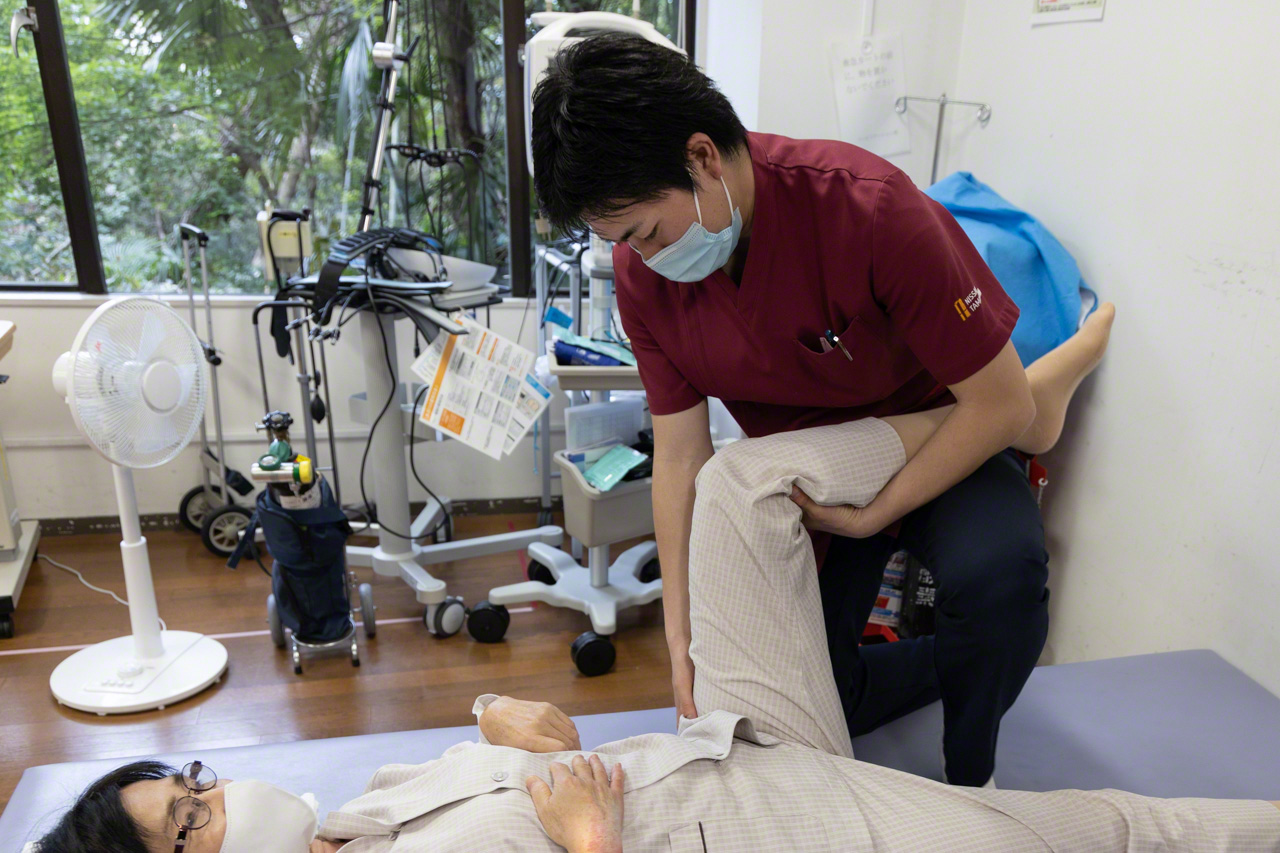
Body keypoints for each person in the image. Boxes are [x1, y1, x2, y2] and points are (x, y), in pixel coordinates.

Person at [34, 318, 1280, 853]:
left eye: (190, 784)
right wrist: (586, 841)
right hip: (775, 832)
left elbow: (521, 744)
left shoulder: (360, 810)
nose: (216, 795)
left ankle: (1004, 413)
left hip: (727, 737)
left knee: (736, 485)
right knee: (1092, 834)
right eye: (189, 828)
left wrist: (493, 721)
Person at [532, 32, 1069, 787]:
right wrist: (680, 644)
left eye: (646, 232)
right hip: (812, 486)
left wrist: (880, 510)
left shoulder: (870, 208)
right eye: (621, 242)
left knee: (1002, 585)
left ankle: (971, 780)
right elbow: (682, 457)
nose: (641, 258)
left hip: (947, 437)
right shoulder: (642, 274)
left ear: (702, 158)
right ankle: (944, 662)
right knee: (797, 709)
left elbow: (998, 405)